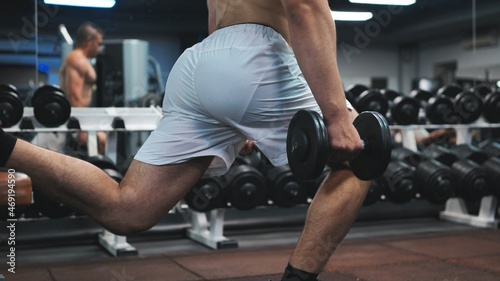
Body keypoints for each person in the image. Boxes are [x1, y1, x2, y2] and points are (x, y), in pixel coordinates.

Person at [1, 1, 370, 280]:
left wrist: (236, 117)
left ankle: (7, 148)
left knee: (128, 209)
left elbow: (217, 22)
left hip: (198, 63)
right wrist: (336, 116)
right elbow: (305, 7)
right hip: (257, 54)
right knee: (366, 154)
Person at [59, 22, 107, 154]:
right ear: (88, 41)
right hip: (75, 120)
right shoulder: (77, 60)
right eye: (98, 43)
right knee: (102, 140)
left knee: (102, 140)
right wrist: (81, 128)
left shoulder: (79, 59)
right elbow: (74, 95)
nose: (99, 48)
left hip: (78, 118)